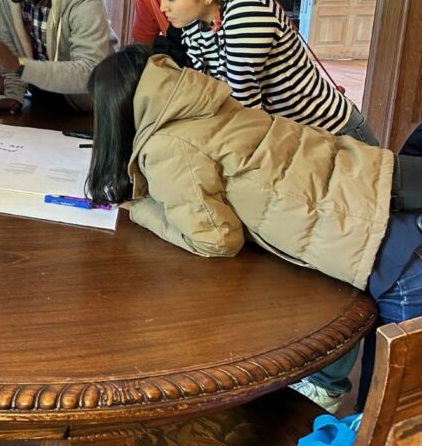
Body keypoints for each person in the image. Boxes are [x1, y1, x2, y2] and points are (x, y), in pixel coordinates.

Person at [85, 45, 422, 413]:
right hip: (389, 185)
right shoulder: (207, 102)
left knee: (393, 408)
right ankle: (331, 389)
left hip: (390, 253)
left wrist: (140, 208)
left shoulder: (168, 145)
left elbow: (214, 239)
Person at [151, 0, 376, 145]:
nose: (163, 7)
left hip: (333, 136)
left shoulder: (246, 9)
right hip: (291, 139)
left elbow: (243, 107)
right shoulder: (193, 23)